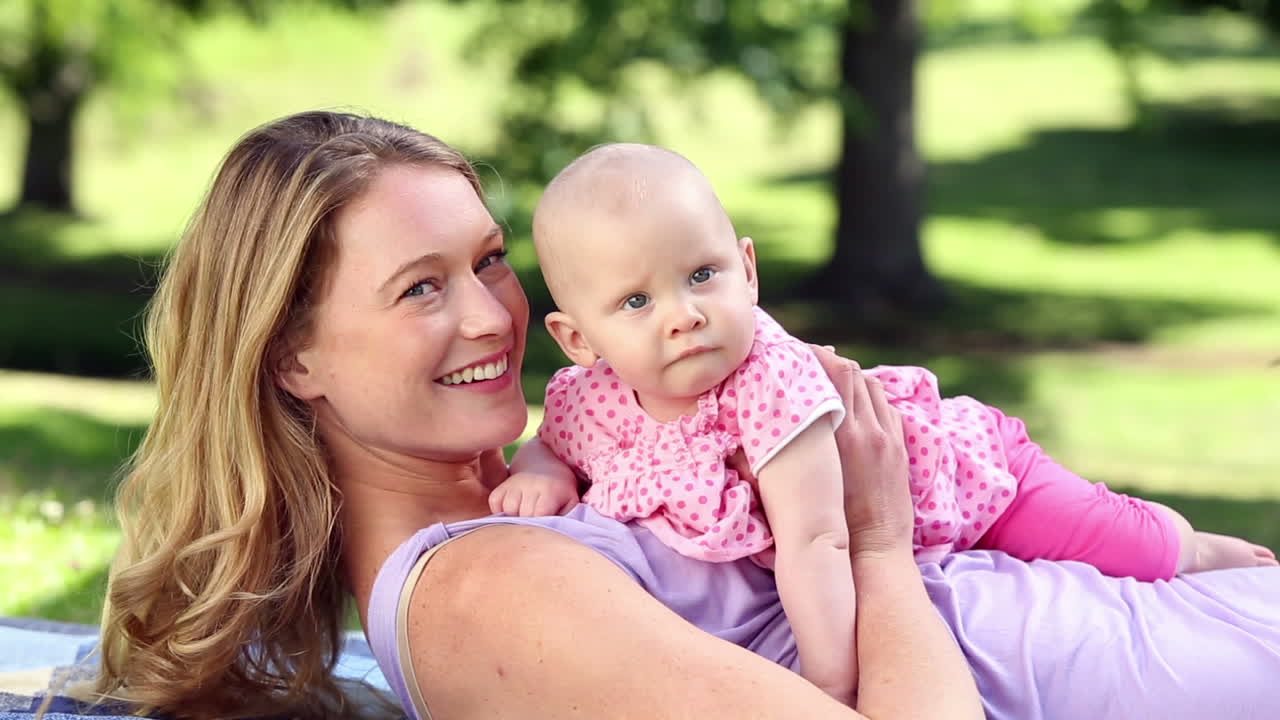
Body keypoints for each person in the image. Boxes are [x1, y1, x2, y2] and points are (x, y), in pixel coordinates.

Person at [88, 111, 1280, 720]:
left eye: (490, 259)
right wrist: (872, 535)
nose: (493, 316)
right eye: (419, 289)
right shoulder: (473, 588)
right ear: (292, 358)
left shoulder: (562, 477)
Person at [489, 143, 1275, 701]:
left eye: (703, 274)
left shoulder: (770, 386)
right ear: (578, 340)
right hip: (902, 512)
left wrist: (831, 681)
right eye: (637, 300)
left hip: (970, 476)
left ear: (748, 271)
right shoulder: (585, 398)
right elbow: (557, 440)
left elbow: (817, 541)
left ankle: (1207, 549)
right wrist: (540, 472)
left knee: (1122, 541)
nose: (684, 314)